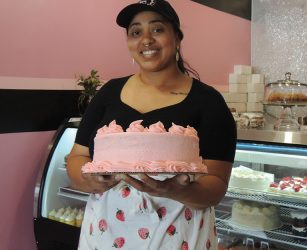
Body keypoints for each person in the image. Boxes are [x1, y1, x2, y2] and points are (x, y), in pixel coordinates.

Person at [66, 0, 237, 249]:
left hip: (179, 236)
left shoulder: (209, 102)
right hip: (106, 233)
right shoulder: (109, 93)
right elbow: (77, 157)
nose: (146, 39)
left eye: (157, 29)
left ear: (177, 38)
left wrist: (175, 190)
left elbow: (217, 185)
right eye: (136, 32)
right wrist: (92, 181)